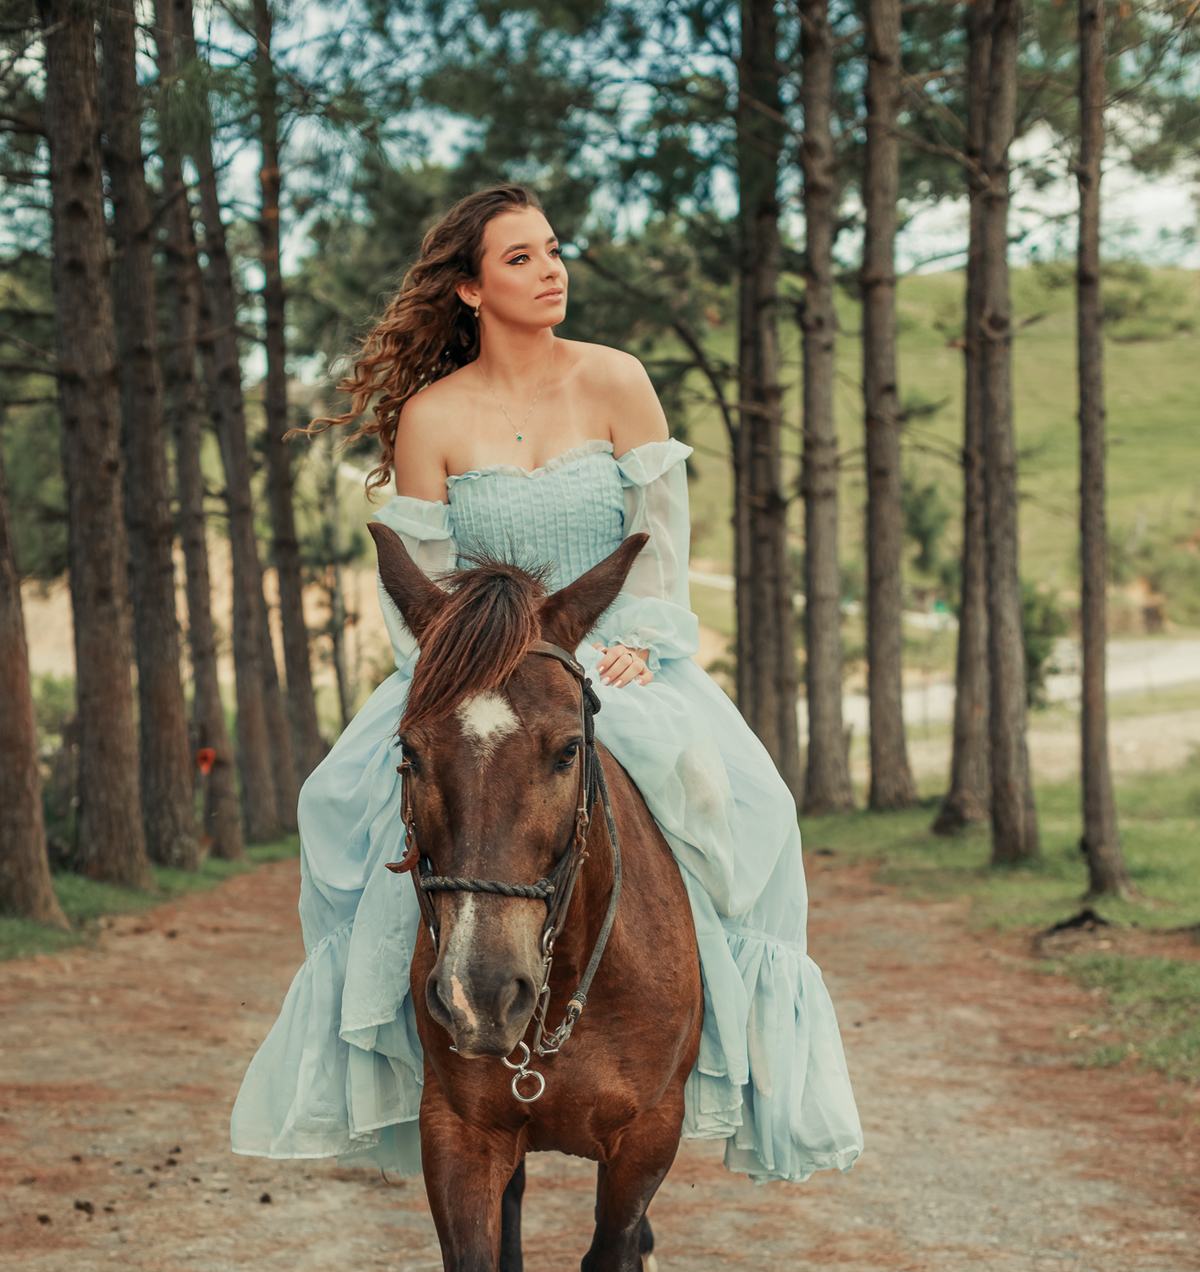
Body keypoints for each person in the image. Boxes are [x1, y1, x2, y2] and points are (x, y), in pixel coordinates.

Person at [231, 183, 862, 1185]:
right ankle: (407, 1045)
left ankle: (725, 1042)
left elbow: (660, 545)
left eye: (553, 249)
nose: (550, 268)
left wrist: (642, 643)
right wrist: (459, 680)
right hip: (475, 676)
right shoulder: (432, 418)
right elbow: (416, 593)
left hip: (614, 658)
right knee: (341, 812)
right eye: (519, 257)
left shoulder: (617, 382)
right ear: (472, 289)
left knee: (751, 808)